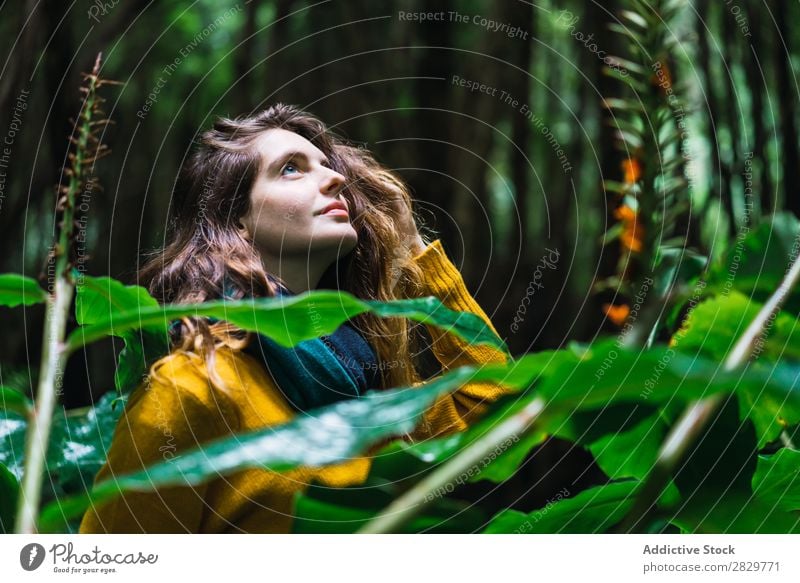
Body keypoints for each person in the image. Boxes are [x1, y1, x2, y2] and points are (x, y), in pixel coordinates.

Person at [79, 104, 510, 533]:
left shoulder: (372, 396)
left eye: (328, 167)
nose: (337, 178)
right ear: (238, 220)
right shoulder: (195, 387)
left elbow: (501, 412)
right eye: (291, 168)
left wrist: (413, 249)